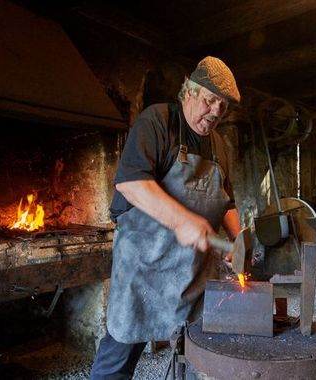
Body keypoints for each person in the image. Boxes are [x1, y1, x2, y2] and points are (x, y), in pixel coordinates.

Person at [90, 56, 242, 379]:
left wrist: (238, 240)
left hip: (190, 272)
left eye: (223, 106)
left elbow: (227, 202)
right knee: (119, 354)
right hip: (143, 266)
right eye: (210, 99)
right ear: (188, 91)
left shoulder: (219, 146)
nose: (216, 111)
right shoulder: (157, 122)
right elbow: (131, 184)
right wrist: (182, 220)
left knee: (194, 353)